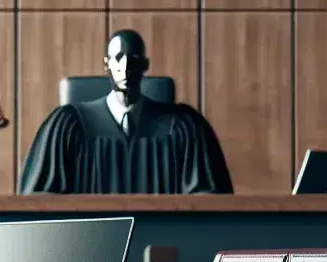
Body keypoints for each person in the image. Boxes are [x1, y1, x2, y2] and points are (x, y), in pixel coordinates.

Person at [18, 29, 233, 194]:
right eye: (118, 58)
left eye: (134, 59)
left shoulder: (184, 126)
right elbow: (40, 200)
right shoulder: (67, 125)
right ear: (107, 64)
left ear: (145, 65)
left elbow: (209, 198)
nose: (126, 66)